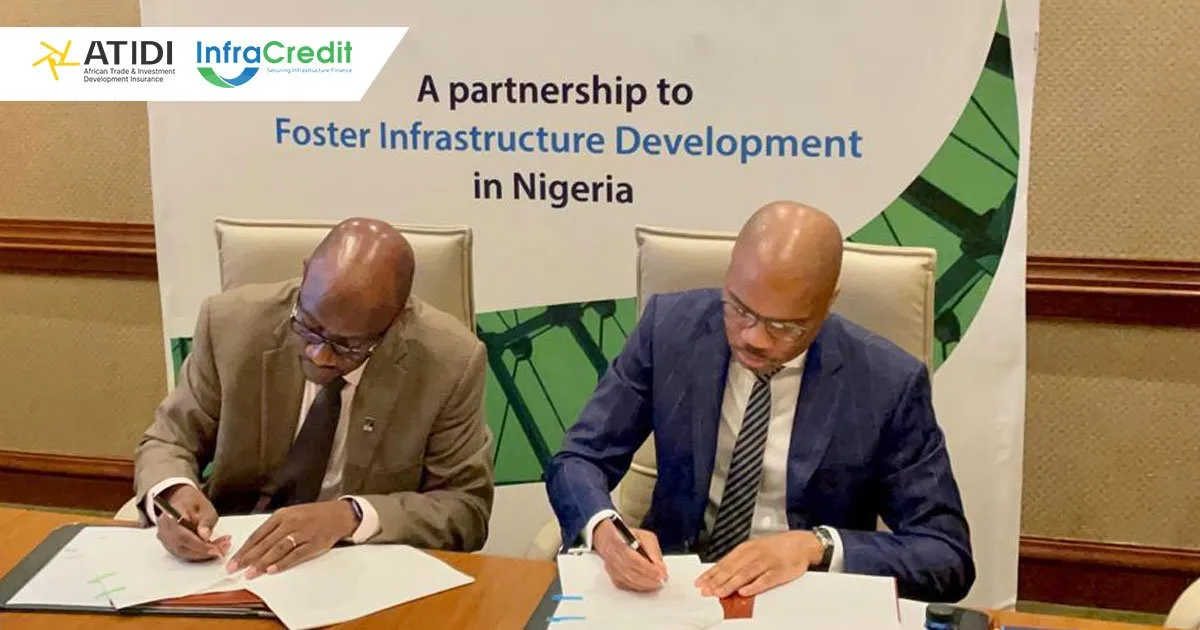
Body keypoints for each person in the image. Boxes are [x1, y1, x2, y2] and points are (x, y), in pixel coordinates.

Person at [544, 201, 974, 603]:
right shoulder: (669, 329)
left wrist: (817, 546)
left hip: (805, 599)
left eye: (783, 326)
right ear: (730, 276)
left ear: (828, 302)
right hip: (676, 588)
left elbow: (945, 555)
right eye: (739, 309)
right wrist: (603, 528)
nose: (753, 337)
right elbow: (579, 458)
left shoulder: (888, 382)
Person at [134, 217, 493, 579]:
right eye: (308, 326)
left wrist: (351, 515)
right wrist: (173, 494)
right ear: (305, 274)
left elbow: (466, 508)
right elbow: (170, 439)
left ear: (397, 319)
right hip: (232, 557)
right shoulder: (229, 324)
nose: (320, 355)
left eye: (348, 346)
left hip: (362, 568)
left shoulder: (451, 362)